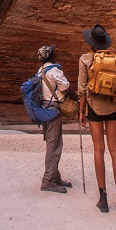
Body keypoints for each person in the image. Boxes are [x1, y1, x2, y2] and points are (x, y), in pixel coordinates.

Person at [78, 24, 116, 213]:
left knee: (99, 149)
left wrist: (81, 111)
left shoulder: (85, 59)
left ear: (90, 42)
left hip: (94, 108)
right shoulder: (115, 59)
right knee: (115, 150)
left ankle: (103, 198)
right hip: (113, 107)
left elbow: (82, 89)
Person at [37, 45, 72, 194]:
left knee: (55, 143)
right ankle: (48, 181)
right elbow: (66, 87)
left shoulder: (40, 71)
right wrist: (77, 99)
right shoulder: (54, 71)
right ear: (51, 55)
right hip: (53, 111)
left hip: (43, 110)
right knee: (54, 145)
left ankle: (55, 176)